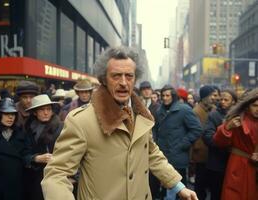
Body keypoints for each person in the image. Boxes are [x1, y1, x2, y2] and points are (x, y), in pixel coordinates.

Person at [41, 46, 198, 200]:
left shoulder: (143, 116)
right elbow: (57, 174)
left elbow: (151, 153)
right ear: (103, 79)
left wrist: (178, 186)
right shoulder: (81, 121)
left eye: (129, 76)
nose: (123, 82)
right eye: (116, 76)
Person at [153, 84, 202, 199]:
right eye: (163, 95)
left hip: (178, 157)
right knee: (163, 190)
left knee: (178, 190)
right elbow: (155, 128)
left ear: (173, 96)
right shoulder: (159, 110)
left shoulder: (184, 109)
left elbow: (196, 129)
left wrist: (182, 144)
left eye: (167, 95)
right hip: (162, 157)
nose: (165, 98)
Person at [213, 88, 258, 200]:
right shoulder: (237, 119)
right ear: (248, 105)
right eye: (255, 105)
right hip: (237, 166)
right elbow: (218, 142)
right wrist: (227, 127)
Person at [23, 94, 63, 200]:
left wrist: (72, 177)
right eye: (42, 110)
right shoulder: (29, 130)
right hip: (36, 180)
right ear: (35, 113)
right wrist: (36, 158)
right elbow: (24, 154)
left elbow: (72, 153)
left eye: (48, 109)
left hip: (59, 177)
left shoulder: (61, 127)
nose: (46, 112)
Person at [203, 89, 237, 200]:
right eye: (221, 99)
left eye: (226, 100)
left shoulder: (239, 116)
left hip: (234, 164)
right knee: (216, 194)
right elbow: (208, 137)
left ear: (233, 102)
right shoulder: (214, 115)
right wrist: (223, 140)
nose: (222, 101)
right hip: (216, 164)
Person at [0, 98, 28, 200]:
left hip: (17, 188)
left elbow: (26, 153)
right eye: (6, 114)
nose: (10, 117)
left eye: (13, 114)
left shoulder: (21, 133)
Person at [191, 85, 216, 200]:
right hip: (200, 156)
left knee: (212, 186)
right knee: (200, 187)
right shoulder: (195, 112)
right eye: (211, 96)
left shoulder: (214, 110)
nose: (213, 98)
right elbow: (193, 134)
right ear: (204, 97)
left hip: (212, 155)